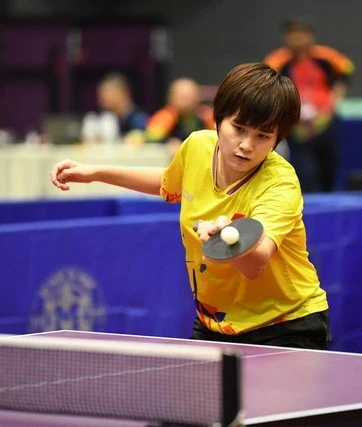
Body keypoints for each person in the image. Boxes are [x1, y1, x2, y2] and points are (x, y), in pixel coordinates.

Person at [49, 62, 330, 350]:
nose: (246, 144)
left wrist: (227, 241)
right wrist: (95, 172)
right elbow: (168, 183)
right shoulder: (197, 146)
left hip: (286, 325)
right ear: (218, 119)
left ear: (276, 140)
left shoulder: (280, 182)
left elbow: (256, 261)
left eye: (263, 136)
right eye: (239, 128)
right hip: (215, 323)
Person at [264, 17, 354, 193]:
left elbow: (347, 70)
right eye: (293, 33)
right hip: (296, 128)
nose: (298, 38)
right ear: (286, 37)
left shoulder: (326, 57)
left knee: (329, 170)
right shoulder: (277, 61)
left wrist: (334, 100)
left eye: (302, 33)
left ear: (310, 35)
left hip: (326, 122)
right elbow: (266, 84)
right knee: (306, 174)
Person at [144, 77, 215, 155]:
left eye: (189, 96)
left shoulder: (206, 115)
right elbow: (151, 138)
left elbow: (218, 138)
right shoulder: (165, 116)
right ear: (171, 97)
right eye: (182, 96)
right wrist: (168, 142)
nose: (186, 101)